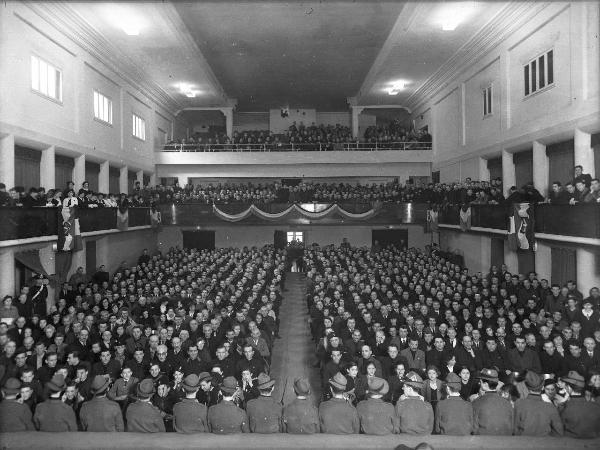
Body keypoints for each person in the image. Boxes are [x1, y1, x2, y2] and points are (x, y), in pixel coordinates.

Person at [513, 371, 564, 436]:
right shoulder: (550, 407)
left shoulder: (519, 403)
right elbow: (559, 432)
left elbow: (515, 429)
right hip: (545, 444)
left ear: (527, 386)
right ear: (542, 387)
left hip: (523, 443)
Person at [471, 368, 513, 435]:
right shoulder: (507, 403)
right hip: (505, 442)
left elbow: (474, 428)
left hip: (484, 443)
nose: (479, 383)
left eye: (480, 381)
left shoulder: (476, 403)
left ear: (485, 384)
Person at [559, 371, 600, 438]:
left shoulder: (565, 408)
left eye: (565, 386)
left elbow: (559, 429)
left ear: (569, 388)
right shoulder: (596, 406)